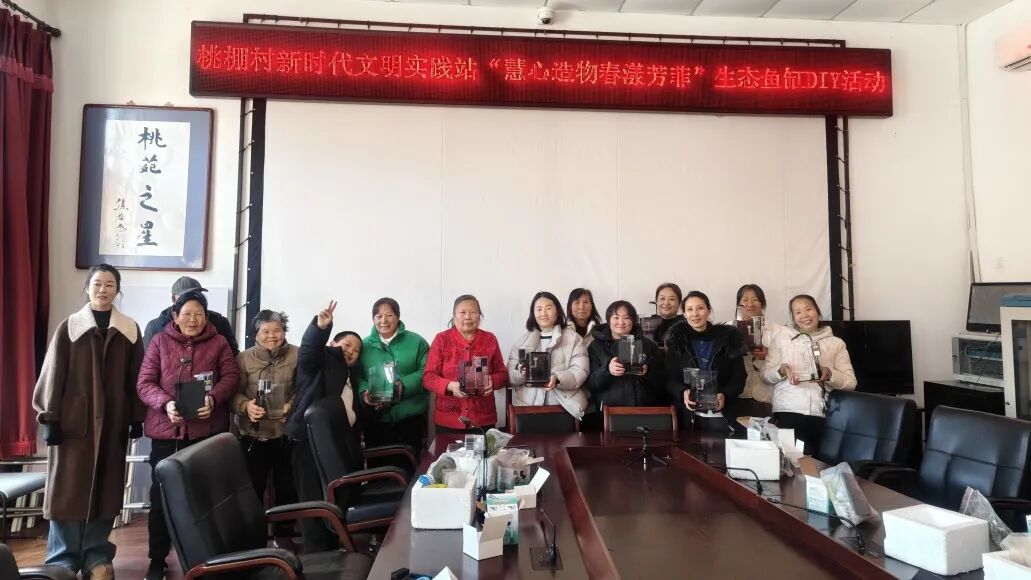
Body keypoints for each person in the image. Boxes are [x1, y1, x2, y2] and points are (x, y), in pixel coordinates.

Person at [31, 264, 145, 580]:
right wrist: (50, 417)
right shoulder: (70, 327)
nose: (103, 289)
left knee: (106, 492)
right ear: (87, 287)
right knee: (66, 492)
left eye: (109, 284)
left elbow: (136, 376)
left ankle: (97, 556)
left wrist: (136, 417)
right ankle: (62, 559)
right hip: (72, 426)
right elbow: (52, 372)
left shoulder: (129, 330)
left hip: (112, 424)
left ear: (117, 290)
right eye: (97, 283)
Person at [137, 290, 240, 580]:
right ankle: (157, 558)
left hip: (206, 433)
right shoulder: (159, 341)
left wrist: (213, 398)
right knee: (161, 498)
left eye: (198, 314)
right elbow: (144, 383)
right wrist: (165, 403)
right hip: (167, 432)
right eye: (186, 314)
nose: (192, 320)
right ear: (175, 316)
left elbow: (231, 377)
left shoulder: (219, 342)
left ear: (207, 317)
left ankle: (207, 558)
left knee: (204, 496)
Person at [284, 301, 363, 553]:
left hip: (334, 446)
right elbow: (309, 351)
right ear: (332, 343)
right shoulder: (321, 361)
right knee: (312, 502)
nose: (350, 351)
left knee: (330, 501)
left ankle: (331, 551)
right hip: (307, 442)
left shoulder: (350, 376)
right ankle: (316, 556)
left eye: (356, 350)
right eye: (347, 345)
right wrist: (320, 328)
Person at [233, 309, 298, 545]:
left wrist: (292, 405)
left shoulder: (297, 355)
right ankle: (254, 539)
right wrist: (246, 406)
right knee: (253, 489)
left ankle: (284, 535)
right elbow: (233, 393)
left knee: (288, 488)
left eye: (277, 330)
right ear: (256, 334)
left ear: (284, 331)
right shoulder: (243, 358)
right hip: (254, 435)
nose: (272, 336)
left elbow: (305, 388)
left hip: (286, 434)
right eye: (265, 331)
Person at [762, 294, 857, 452]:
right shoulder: (781, 339)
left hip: (823, 413)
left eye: (808, 309)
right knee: (790, 460)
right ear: (793, 318)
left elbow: (851, 382)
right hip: (788, 410)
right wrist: (780, 370)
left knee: (816, 462)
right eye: (798, 312)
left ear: (818, 312)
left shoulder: (836, 343)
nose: (804, 315)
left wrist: (830, 374)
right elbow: (765, 375)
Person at [423, 295, 508, 433]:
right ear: (454, 316)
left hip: (483, 420)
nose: (468, 317)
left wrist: (492, 381)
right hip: (448, 421)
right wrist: (450, 386)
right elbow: (428, 378)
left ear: (480, 316)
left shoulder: (490, 339)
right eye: (462, 312)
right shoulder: (442, 340)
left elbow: (503, 374)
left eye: (473, 312)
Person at [665, 291, 747, 432]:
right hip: (687, 416)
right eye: (689, 309)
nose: (695, 314)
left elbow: (739, 376)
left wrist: (725, 394)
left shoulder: (728, 338)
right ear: (684, 314)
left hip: (723, 415)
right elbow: (669, 378)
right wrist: (682, 392)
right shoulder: (676, 342)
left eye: (700, 308)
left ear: (709, 310)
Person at [356, 297, 430, 454]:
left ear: (398, 316)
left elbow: (427, 371)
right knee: (378, 465)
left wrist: (403, 385)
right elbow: (356, 375)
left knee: (410, 464)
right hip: (375, 419)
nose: (383, 320)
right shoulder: (363, 345)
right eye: (379, 316)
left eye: (389, 315)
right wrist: (365, 393)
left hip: (410, 417)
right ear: (373, 319)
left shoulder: (417, 342)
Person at [582, 300, 665, 432]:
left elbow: (663, 381)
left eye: (626, 317)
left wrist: (647, 372)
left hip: (645, 411)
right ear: (608, 320)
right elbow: (590, 383)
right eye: (616, 317)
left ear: (633, 320)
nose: (621, 322)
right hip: (609, 413)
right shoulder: (596, 347)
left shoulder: (648, 345)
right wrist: (607, 370)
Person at [508, 291, 589, 420]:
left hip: (562, 406)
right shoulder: (522, 341)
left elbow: (580, 371)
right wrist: (521, 373)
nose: (543, 313)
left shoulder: (573, 339)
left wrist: (558, 378)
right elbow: (510, 376)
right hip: (527, 407)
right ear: (533, 313)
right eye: (539, 309)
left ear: (557, 312)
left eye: (548, 308)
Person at [726, 284, 784, 418]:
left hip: (767, 395)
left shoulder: (777, 330)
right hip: (736, 393)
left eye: (755, 299)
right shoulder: (727, 329)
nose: (750, 304)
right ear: (738, 304)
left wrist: (769, 354)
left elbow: (784, 362)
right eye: (745, 300)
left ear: (763, 304)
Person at [142, 276, 239, 354]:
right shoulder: (155, 327)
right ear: (173, 299)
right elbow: (146, 363)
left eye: (196, 294)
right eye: (185, 296)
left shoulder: (220, 323)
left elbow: (233, 356)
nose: (191, 298)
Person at [651, 283, 683, 347]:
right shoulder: (648, 324)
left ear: (679, 303)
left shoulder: (686, 324)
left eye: (671, 299)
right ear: (656, 301)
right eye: (662, 298)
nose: (666, 303)